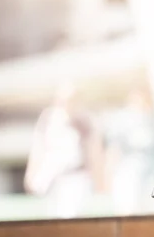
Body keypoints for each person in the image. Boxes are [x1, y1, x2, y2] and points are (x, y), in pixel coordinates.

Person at [24, 82, 105, 218]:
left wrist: (100, 180)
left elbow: (94, 151)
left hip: (77, 178)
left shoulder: (84, 121)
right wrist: (32, 173)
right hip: (53, 179)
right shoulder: (48, 118)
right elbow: (39, 148)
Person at [104, 87, 154, 215]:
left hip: (151, 172)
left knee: (150, 210)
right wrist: (108, 173)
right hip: (129, 171)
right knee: (129, 209)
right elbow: (114, 149)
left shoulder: (153, 120)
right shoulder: (123, 119)